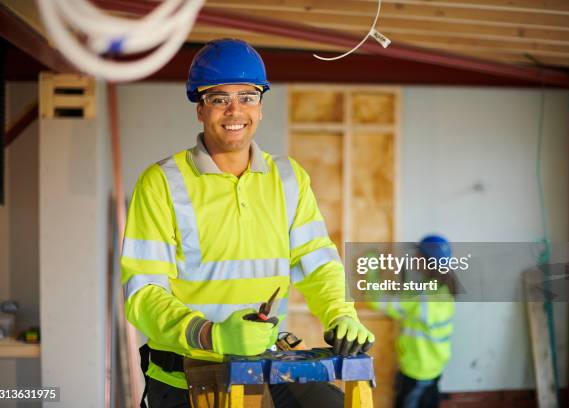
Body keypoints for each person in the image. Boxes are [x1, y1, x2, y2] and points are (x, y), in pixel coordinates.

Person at [120, 38, 375, 408]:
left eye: (248, 96)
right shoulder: (161, 183)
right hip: (185, 378)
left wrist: (341, 314)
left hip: (265, 364)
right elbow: (143, 295)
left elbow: (318, 262)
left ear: (261, 106)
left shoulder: (288, 178)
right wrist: (212, 335)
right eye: (219, 98)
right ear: (200, 109)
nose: (234, 110)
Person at [369, 235, 455, 408]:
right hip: (433, 370)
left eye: (417, 255)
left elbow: (376, 301)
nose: (414, 258)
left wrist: (372, 269)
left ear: (427, 261)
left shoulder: (421, 297)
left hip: (417, 373)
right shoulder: (444, 290)